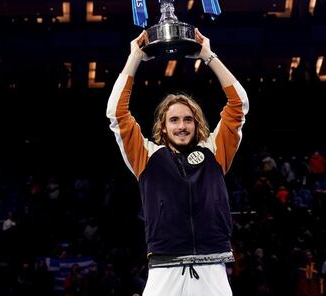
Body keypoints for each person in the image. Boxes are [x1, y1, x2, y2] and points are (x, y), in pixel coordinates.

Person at [106, 29, 249, 296]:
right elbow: (117, 114)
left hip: (212, 265)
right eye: (174, 120)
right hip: (164, 268)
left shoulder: (215, 152)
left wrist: (208, 56)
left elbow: (239, 105)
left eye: (188, 119)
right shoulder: (147, 157)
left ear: (196, 124)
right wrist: (134, 58)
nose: (182, 126)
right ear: (163, 125)